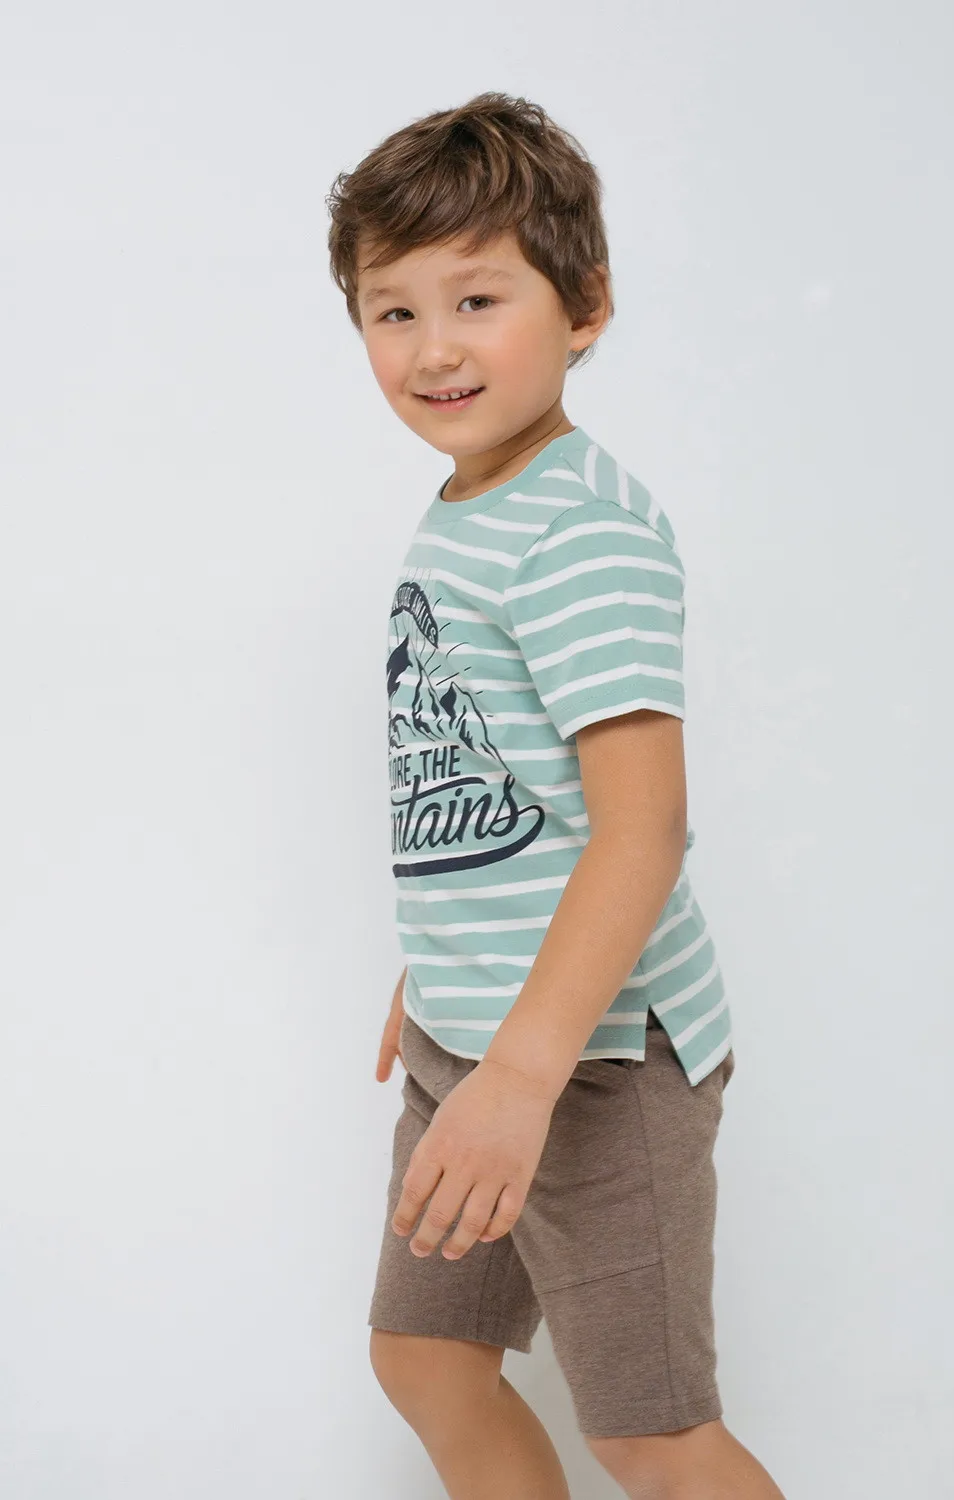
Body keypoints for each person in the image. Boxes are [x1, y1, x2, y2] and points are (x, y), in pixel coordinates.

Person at [325, 92, 786, 1500]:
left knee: (650, 1430)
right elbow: (492, 772)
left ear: (584, 305)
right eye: (393, 310)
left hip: (595, 1065)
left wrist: (524, 1074)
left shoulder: (579, 530)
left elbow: (642, 832)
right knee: (428, 1357)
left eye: (478, 298)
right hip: (476, 1038)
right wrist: (445, 960)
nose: (434, 347)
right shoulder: (478, 502)